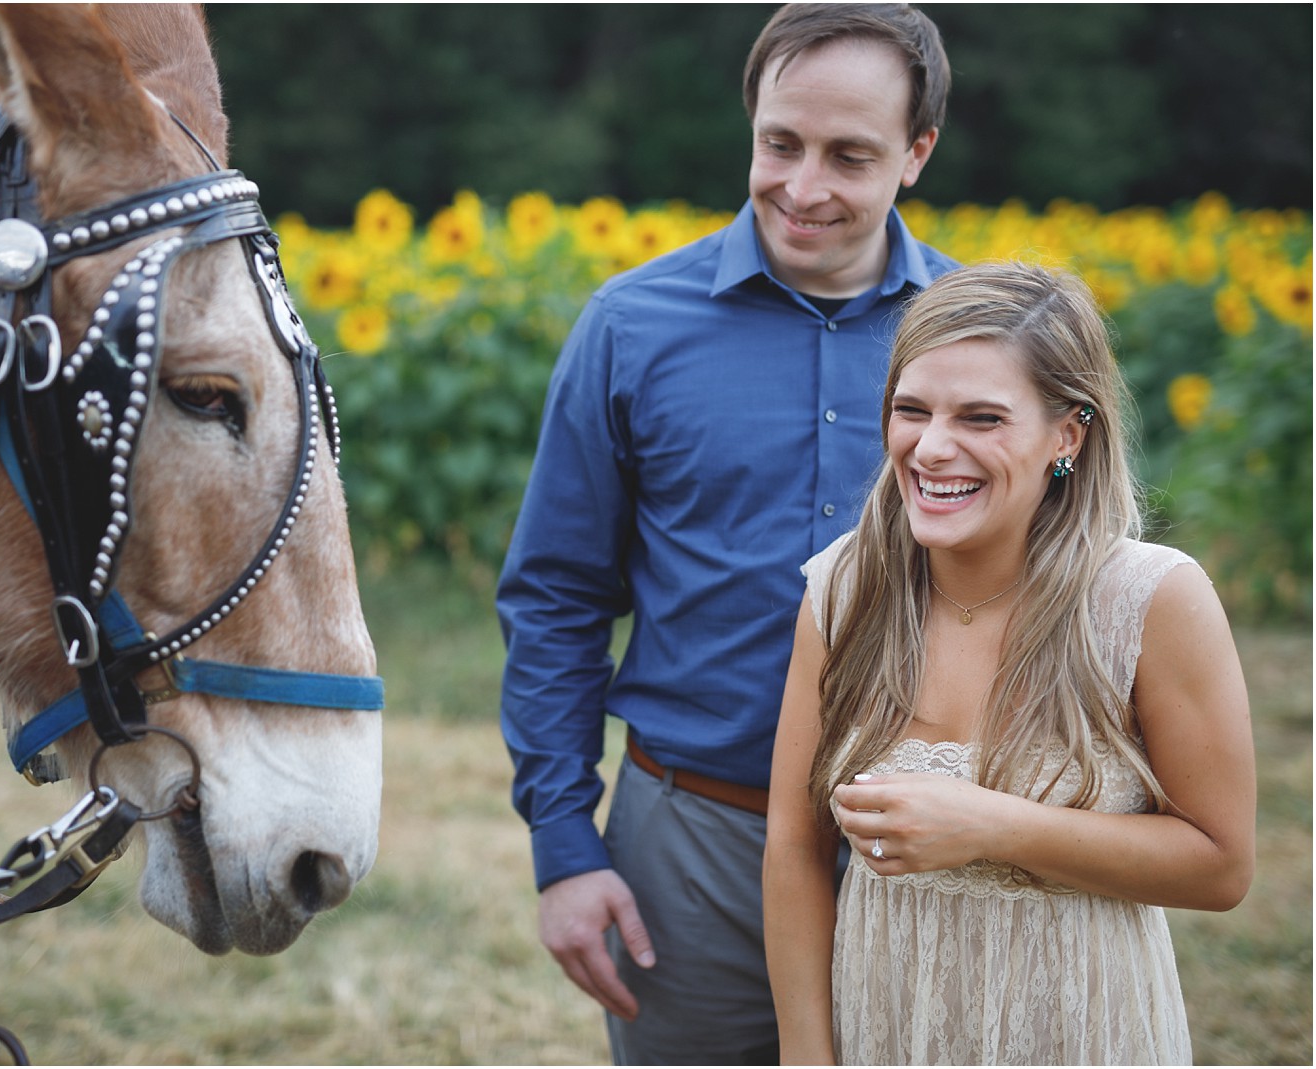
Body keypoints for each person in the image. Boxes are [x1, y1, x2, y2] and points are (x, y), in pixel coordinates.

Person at [496, 5, 956, 1062]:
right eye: (778, 144)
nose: (802, 187)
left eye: (849, 156)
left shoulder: (982, 338)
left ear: (916, 153)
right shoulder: (628, 327)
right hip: (698, 844)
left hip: (940, 845)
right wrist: (565, 848)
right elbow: (557, 597)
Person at [762, 261, 1257, 1065]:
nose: (932, 447)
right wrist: (807, 1057)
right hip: (886, 1015)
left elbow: (1222, 866)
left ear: (1069, 434)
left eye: (982, 417)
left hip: (1081, 1022)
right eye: (910, 410)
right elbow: (794, 842)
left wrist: (991, 824)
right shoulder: (844, 587)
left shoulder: (1150, 600)